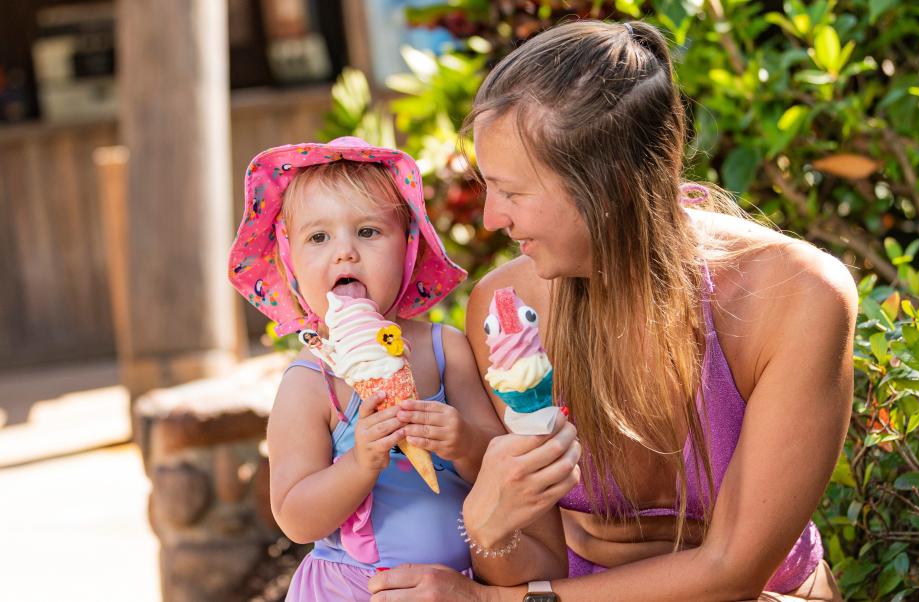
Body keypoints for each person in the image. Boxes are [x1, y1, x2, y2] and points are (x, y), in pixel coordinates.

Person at [368, 20, 854, 601]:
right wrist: (490, 525)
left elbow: (734, 570)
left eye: (514, 192)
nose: (491, 218)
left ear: (612, 183)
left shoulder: (796, 295)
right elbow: (528, 563)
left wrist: (495, 601)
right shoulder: (510, 310)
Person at [227, 137, 504, 601]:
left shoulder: (445, 350)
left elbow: (500, 465)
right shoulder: (308, 383)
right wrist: (360, 462)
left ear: (409, 248)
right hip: (355, 588)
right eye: (318, 237)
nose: (345, 252)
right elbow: (295, 517)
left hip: (460, 586)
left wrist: (464, 441)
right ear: (291, 263)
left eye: (369, 232)